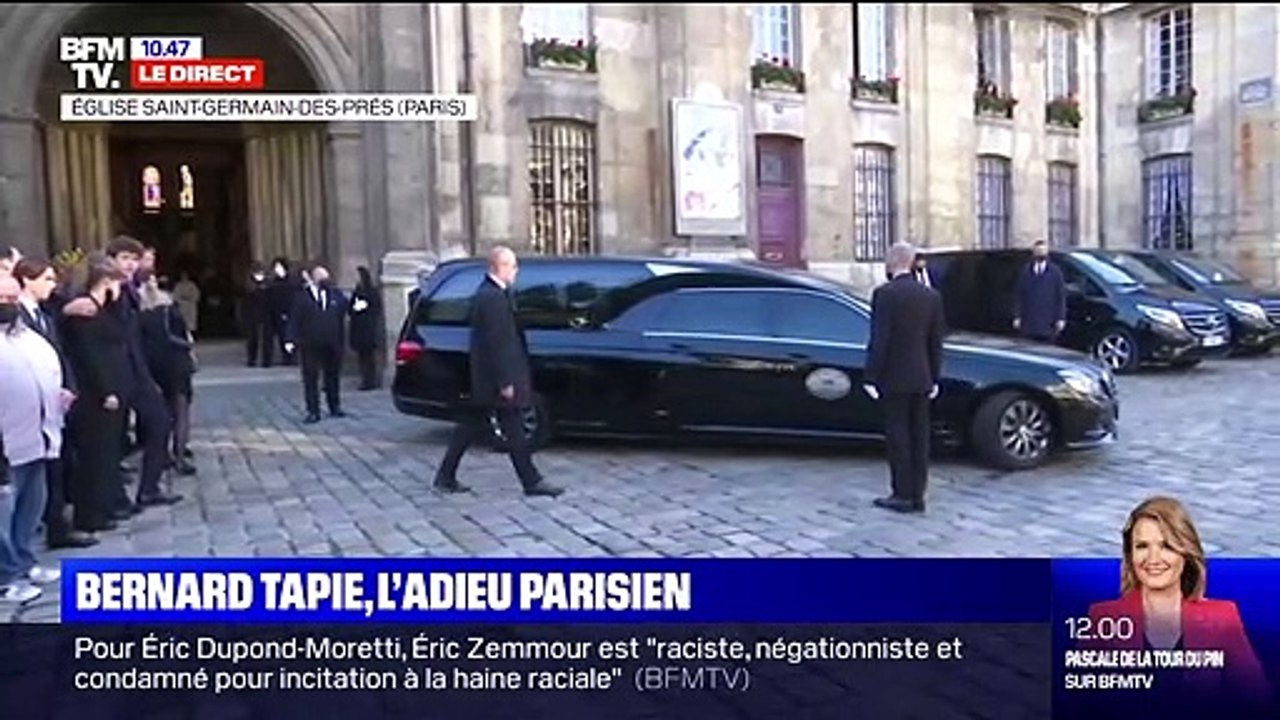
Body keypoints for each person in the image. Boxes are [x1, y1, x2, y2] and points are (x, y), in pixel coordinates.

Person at [1087, 496, 1271, 713]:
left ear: (1186, 553)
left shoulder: (1222, 617)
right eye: (1142, 546)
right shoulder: (1103, 618)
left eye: (1167, 546)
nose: (1153, 559)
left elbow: (1259, 700)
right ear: (1130, 555)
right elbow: (1080, 704)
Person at [432, 246, 563, 498]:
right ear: (500, 267)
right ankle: (531, 481)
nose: (516, 271)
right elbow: (497, 342)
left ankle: (446, 475)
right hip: (496, 379)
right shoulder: (492, 297)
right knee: (512, 428)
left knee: (472, 425)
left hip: (488, 378)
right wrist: (505, 381)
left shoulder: (492, 293)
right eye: (512, 266)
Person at [63, 236, 180, 508]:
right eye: (124, 258)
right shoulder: (99, 290)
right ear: (110, 260)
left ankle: (148, 488)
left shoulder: (130, 289)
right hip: (112, 374)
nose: (130, 264)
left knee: (160, 422)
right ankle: (114, 497)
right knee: (112, 436)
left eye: (134, 259)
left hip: (136, 370)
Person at [12, 258, 94, 549]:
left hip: (54, 400)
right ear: (27, 280)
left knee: (57, 465)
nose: (53, 284)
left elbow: (58, 352)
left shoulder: (45, 314)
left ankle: (57, 525)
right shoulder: (16, 316)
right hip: (27, 406)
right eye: (46, 279)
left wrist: (68, 386)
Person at [864, 242, 945, 515]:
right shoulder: (931, 296)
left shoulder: (885, 294)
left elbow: (881, 339)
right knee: (920, 438)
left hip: (895, 377)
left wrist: (871, 375)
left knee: (899, 437)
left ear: (891, 261)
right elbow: (936, 342)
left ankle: (902, 494)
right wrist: (934, 376)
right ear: (910, 262)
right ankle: (918, 494)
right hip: (922, 376)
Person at [0, 274, 64, 603]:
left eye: (13, 298)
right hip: (6, 444)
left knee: (30, 507)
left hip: (36, 437)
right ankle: (6, 576)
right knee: (3, 514)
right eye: (2, 298)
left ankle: (24, 562)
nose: (9, 304)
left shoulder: (24, 334)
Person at [61, 256, 135, 535]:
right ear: (105, 281)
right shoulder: (84, 311)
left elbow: (122, 332)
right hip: (96, 393)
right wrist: (107, 390)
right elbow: (90, 356)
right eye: (116, 282)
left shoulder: (107, 309)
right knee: (94, 454)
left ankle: (105, 506)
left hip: (116, 385)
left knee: (108, 452)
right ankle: (90, 514)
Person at [138, 274, 197, 476]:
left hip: (152, 365)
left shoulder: (138, 314)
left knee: (160, 412)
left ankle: (161, 455)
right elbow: (185, 336)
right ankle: (180, 456)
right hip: (176, 363)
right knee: (181, 411)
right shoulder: (171, 309)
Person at [285, 262, 348, 423]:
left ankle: (334, 406)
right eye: (321, 276)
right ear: (313, 278)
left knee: (332, 376)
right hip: (310, 343)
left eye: (326, 276)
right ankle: (313, 411)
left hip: (332, 342)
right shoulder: (302, 297)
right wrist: (290, 339)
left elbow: (346, 309)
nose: (325, 279)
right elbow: (294, 319)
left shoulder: (336, 295)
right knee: (311, 378)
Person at [1013, 241, 1067, 343]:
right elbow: (1020, 295)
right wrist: (1017, 316)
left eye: (1043, 250)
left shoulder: (1055, 271)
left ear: (1047, 252)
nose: (1040, 253)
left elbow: (1060, 296)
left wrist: (1060, 318)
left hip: (1048, 322)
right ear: (1033, 252)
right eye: (1038, 251)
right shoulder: (1026, 270)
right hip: (1029, 321)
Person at [348, 266, 384, 391]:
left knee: (370, 357)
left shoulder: (372, 291)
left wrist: (365, 307)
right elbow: (350, 309)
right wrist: (355, 308)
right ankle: (365, 379)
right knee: (362, 357)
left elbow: (377, 308)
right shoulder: (357, 291)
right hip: (359, 328)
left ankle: (372, 380)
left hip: (369, 328)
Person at [244, 264, 274, 367]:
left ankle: (266, 360)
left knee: (267, 339)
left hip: (266, 315)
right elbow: (247, 304)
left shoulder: (268, 286)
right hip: (253, 315)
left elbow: (271, 302)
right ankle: (252, 359)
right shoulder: (250, 287)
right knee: (253, 338)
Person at [172, 272, 201, 337]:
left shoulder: (192, 285)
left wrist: (191, 298)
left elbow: (196, 294)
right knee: (183, 320)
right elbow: (175, 295)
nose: (184, 278)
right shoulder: (178, 285)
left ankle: (192, 334)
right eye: (183, 276)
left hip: (191, 305)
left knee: (191, 320)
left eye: (185, 276)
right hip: (182, 305)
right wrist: (181, 300)